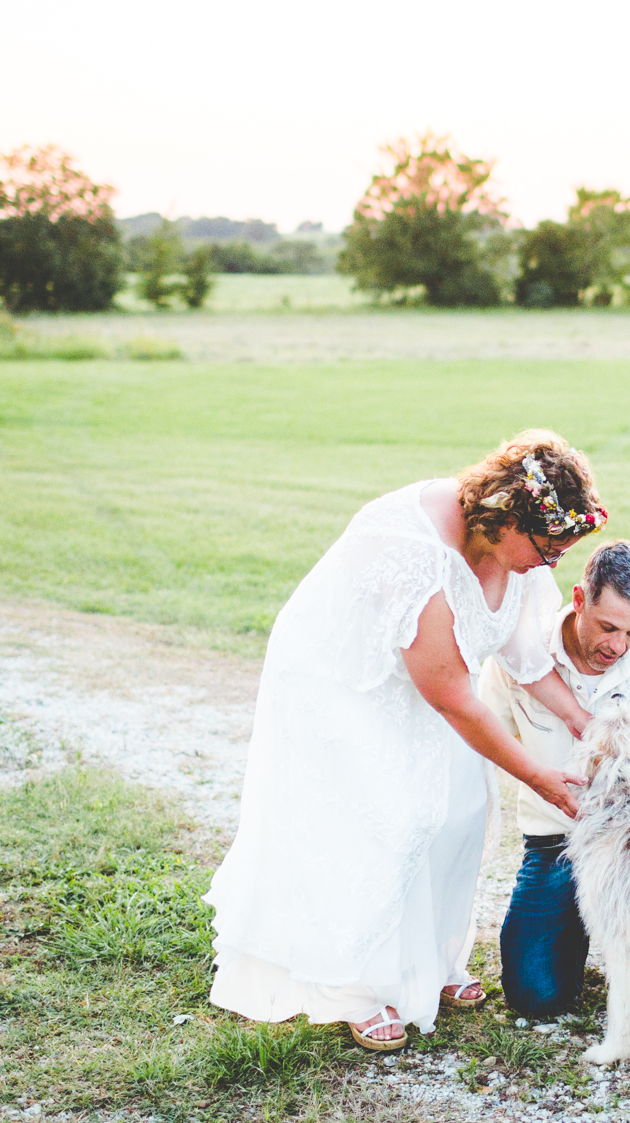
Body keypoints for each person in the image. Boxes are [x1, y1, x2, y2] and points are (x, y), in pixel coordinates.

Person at [205, 431, 607, 1051]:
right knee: (395, 815)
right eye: (547, 548)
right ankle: (355, 984)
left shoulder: (521, 554)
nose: (553, 563)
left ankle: (431, 961)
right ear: (505, 518)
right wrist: (539, 777)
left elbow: (525, 655)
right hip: (344, 678)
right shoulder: (414, 549)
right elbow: (452, 696)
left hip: (429, 677)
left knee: (463, 807)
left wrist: (584, 722)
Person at [480, 538, 630, 1019]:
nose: (617, 645)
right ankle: (592, 933)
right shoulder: (520, 654)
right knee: (535, 997)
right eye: (608, 626)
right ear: (578, 598)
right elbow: (485, 735)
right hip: (558, 841)